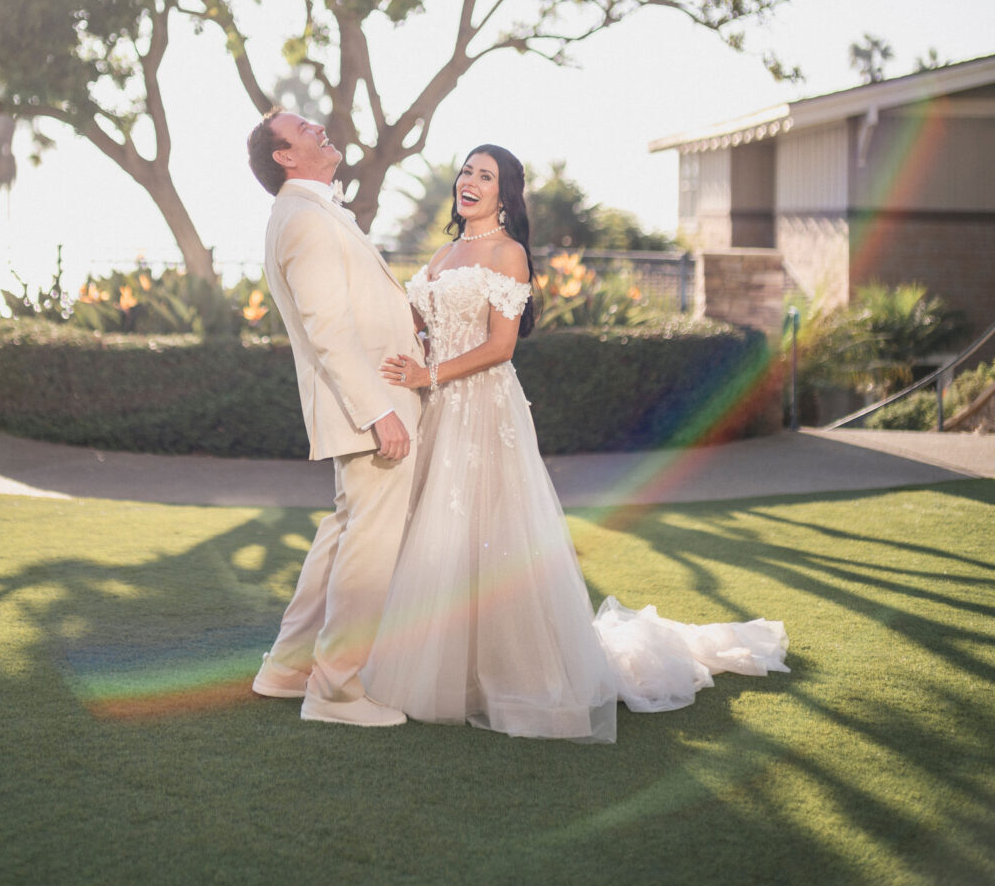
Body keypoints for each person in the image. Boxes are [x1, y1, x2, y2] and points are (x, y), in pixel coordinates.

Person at [361, 143, 789, 741]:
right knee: (440, 535)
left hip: (484, 406)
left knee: (492, 533)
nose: (470, 181)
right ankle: (447, 669)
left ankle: (515, 671)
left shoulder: (509, 254)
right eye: (466, 171)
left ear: (506, 195)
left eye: (485, 176)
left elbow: (500, 347)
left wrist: (428, 374)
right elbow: (420, 323)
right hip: (439, 410)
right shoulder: (444, 251)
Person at [245, 108, 424, 727]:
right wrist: (380, 413)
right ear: (285, 157)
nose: (321, 128)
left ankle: (287, 670)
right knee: (367, 550)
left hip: (369, 402)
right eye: (305, 130)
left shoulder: (312, 212)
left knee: (343, 535)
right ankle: (338, 693)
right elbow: (329, 330)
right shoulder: (300, 218)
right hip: (368, 405)